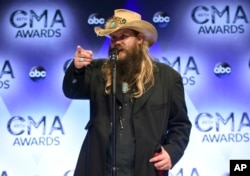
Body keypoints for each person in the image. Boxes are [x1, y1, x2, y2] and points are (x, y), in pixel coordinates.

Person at [63, 9, 192, 176]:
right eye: (113, 38)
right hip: (100, 168)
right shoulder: (98, 71)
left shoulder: (167, 78)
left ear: (140, 39)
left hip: (145, 169)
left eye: (123, 36)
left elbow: (180, 124)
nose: (116, 42)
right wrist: (77, 69)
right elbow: (72, 90)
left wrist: (171, 152)